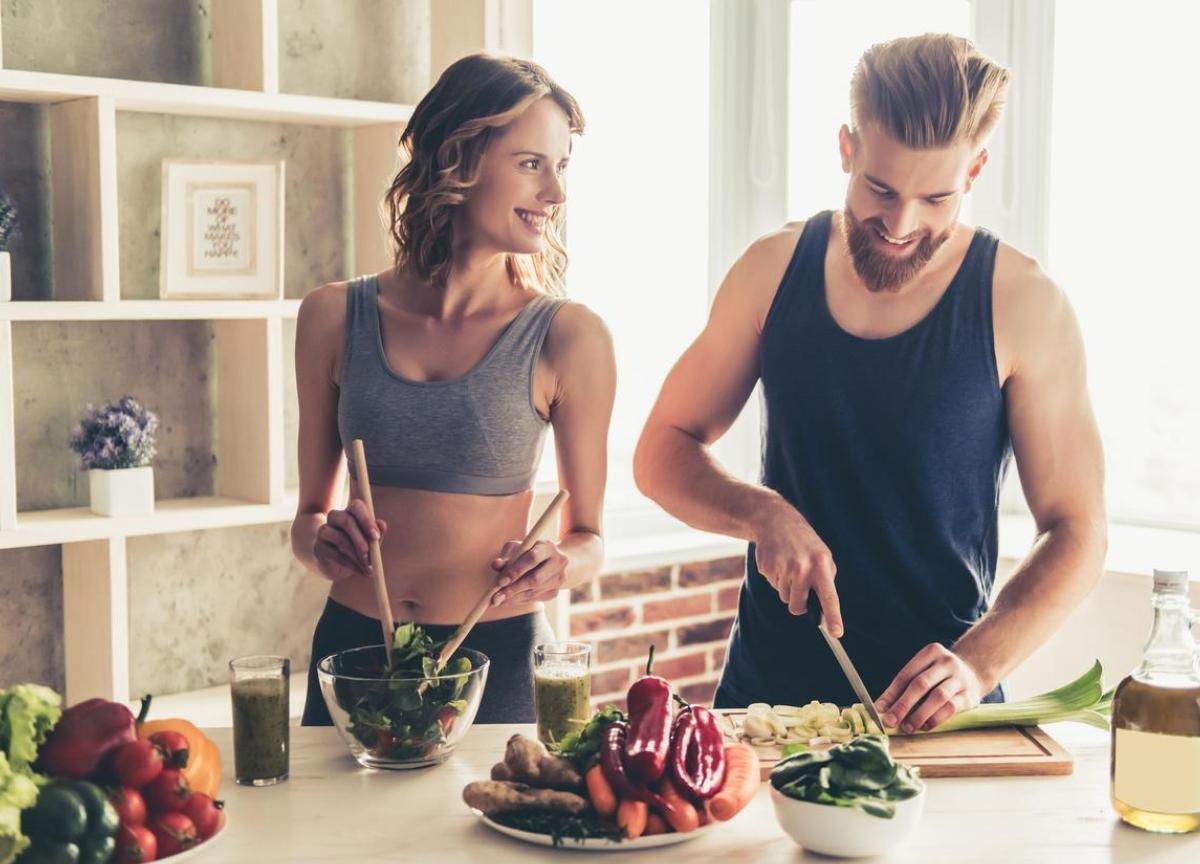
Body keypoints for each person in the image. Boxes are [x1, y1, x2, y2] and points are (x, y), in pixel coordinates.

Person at [634, 34, 1106, 734]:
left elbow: (1079, 531)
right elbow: (660, 451)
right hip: (765, 706)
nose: (900, 224)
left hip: (934, 718)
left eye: (935, 198)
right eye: (880, 189)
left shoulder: (1025, 303)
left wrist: (977, 664)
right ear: (847, 149)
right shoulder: (770, 270)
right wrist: (760, 512)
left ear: (973, 172)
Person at [291, 53, 616, 725]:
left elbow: (588, 535)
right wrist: (322, 540)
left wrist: (559, 564)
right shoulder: (331, 316)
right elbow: (307, 521)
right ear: (457, 160)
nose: (555, 193)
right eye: (532, 163)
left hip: (495, 658)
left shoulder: (569, 337)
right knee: (338, 835)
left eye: (562, 167)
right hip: (353, 652)